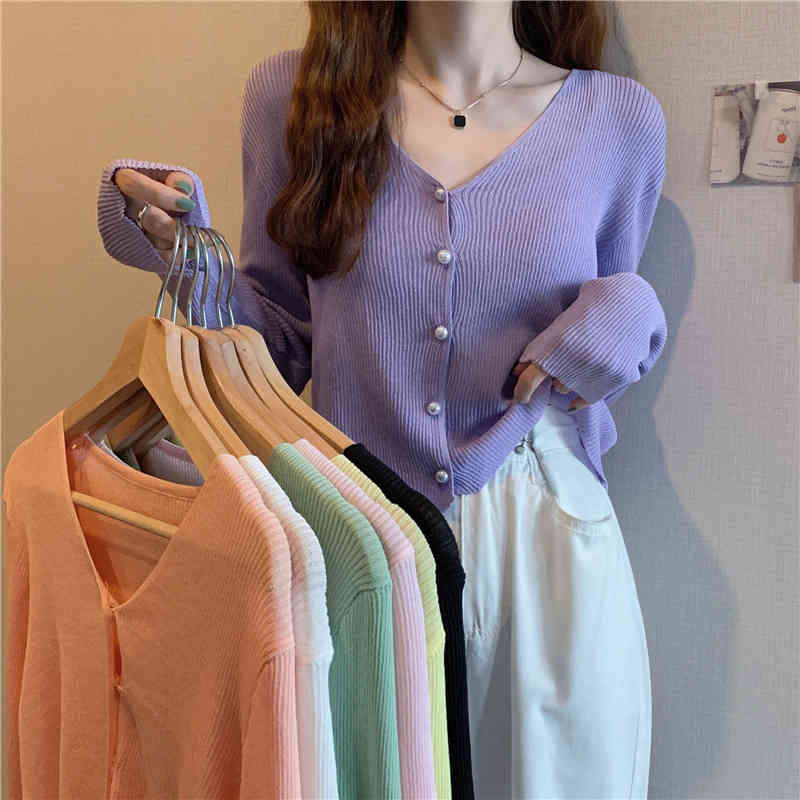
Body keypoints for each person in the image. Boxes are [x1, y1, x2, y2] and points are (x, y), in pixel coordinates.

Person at [100, 2, 667, 797]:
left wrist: (633, 312)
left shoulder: (618, 119)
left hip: (545, 538)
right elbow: (277, 345)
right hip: (352, 531)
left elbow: (610, 315)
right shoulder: (294, 98)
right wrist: (181, 251)